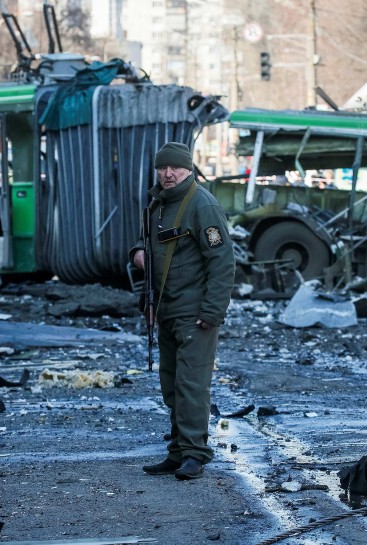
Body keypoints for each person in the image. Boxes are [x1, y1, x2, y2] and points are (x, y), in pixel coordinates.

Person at [129, 142, 236, 480]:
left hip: (196, 314)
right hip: (166, 311)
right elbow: (146, 244)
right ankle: (177, 451)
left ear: (189, 170)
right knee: (171, 383)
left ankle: (195, 454)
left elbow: (223, 263)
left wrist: (212, 311)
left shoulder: (202, 205)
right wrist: (137, 254)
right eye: (163, 168)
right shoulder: (157, 205)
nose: (169, 174)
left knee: (192, 384)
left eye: (176, 168)